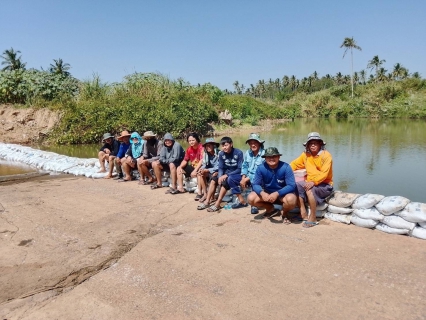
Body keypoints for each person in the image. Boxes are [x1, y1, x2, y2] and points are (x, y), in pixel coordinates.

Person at [290, 132, 333, 228]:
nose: (313, 145)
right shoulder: (305, 155)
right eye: (310, 143)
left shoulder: (326, 156)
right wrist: (283, 171)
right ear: (307, 145)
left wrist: (313, 182)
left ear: (320, 144)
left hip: (325, 184)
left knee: (309, 189)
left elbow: (324, 174)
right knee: (295, 185)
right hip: (310, 182)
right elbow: (295, 164)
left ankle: (313, 218)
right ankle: (303, 214)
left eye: (315, 143)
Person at [248, 147, 297, 222]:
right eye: (269, 157)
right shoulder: (261, 168)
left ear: (278, 157)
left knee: (291, 200)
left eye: (274, 156)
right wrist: (262, 193)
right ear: (265, 158)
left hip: (282, 195)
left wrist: (277, 193)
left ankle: (284, 212)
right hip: (267, 195)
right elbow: (255, 184)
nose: (271, 159)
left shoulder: (286, 167)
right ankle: (270, 208)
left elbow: (291, 185)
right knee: (251, 198)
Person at [206, 137, 244, 212]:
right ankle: (207, 201)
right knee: (214, 179)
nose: (224, 147)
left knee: (225, 181)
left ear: (231, 144)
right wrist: (220, 176)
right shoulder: (221, 154)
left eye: (226, 145)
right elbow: (220, 167)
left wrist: (226, 175)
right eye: (223, 146)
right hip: (225, 173)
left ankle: (217, 203)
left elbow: (240, 169)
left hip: (236, 174)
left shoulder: (238, 153)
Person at [237, 133, 265, 213]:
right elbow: (244, 165)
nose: (253, 145)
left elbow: (258, 172)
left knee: (255, 182)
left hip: (259, 178)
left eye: (255, 143)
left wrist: (246, 179)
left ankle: (254, 205)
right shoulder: (248, 153)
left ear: (259, 143)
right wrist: (243, 177)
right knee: (232, 179)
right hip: (248, 176)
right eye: (251, 143)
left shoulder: (264, 154)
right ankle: (241, 200)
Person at [195, 138, 220, 207]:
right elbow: (204, 165)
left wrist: (208, 170)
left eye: (210, 145)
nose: (208, 147)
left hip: (218, 172)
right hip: (210, 171)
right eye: (207, 146)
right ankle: (205, 194)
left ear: (214, 146)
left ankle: (211, 197)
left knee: (213, 176)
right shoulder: (206, 155)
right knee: (200, 173)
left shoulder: (219, 154)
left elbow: (219, 167)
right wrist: (201, 169)